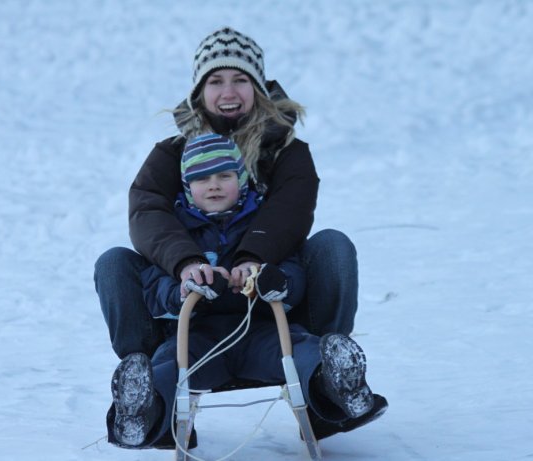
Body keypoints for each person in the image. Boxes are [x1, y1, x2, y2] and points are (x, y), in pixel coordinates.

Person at [95, 26, 366, 442]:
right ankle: (146, 396)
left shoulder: (288, 153)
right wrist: (187, 265)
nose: (229, 90)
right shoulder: (171, 153)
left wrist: (254, 262)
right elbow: (147, 209)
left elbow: (289, 215)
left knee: (333, 247)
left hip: (271, 313)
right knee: (114, 263)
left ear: (258, 86)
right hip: (192, 321)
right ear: (198, 91)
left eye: (240, 79)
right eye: (216, 80)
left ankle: (331, 382)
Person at [106, 134, 386, 449]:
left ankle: (339, 385)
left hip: (262, 333)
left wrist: (272, 279)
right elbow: (155, 288)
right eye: (201, 179)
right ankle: (141, 410)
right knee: (169, 368)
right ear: (186, 187)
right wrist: (181, 290)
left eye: (224, 176)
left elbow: (293, 270)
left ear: (241, 181)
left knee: (301, 352)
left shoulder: (261, 224)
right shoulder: (178, 234)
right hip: (198, 340)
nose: (213, 185)